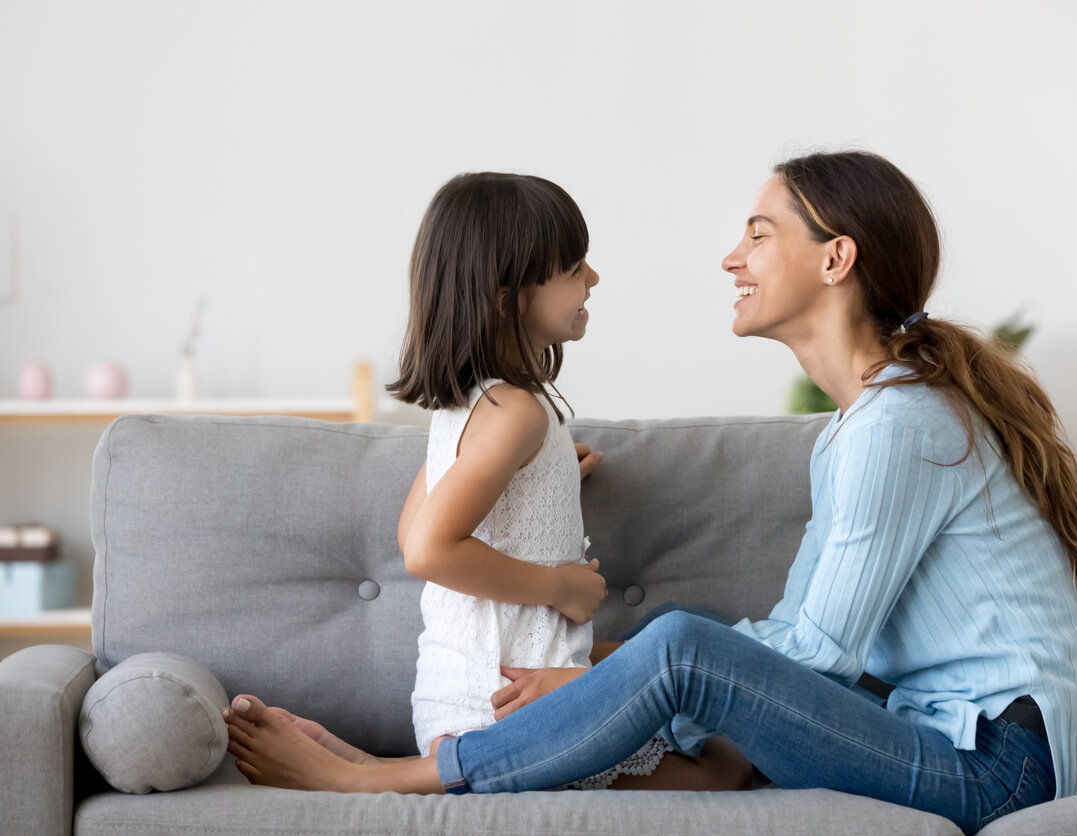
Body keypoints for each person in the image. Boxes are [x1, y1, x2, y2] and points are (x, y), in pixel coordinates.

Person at [224, 152, 1077, 834]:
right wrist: (606, 672)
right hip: (938, 730)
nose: (733, 256)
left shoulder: (897, 425)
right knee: (678, 663)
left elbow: (817, 655)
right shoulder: (857, 427)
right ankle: (440, 758)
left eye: (760, 234)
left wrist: (612, 679)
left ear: (836, 258)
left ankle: (385, 778)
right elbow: (802, 634)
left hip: (995, 768)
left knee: (679, 646)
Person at [226, 171, 749, 792]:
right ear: (508, 297)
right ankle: (373, 779)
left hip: (468, 697)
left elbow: (412, 529)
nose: (594, 278)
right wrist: (560, 586)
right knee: (727, 767)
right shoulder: (517, 414)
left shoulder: (470, 409)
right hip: (511, 708)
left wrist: (546, 481)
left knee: (696, 701)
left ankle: (375, 765)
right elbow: (427, 550)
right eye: (575, 266)